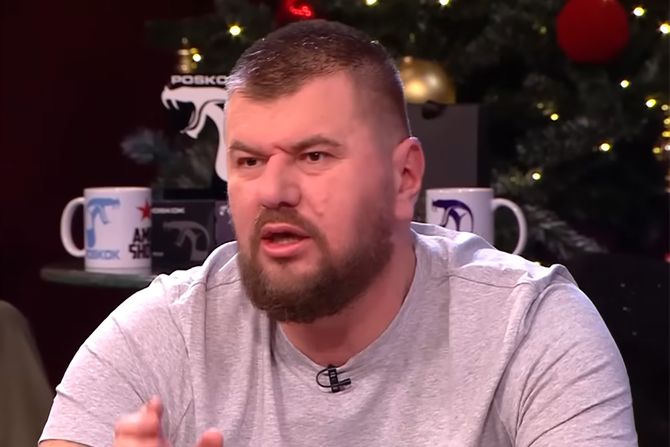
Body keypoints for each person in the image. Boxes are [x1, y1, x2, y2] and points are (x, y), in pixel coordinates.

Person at [40, 20, 637, 447]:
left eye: (314, 156)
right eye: (249, 161)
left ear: (404, 178)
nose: (273, 190)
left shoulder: (528, 326)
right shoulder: (164, 330)